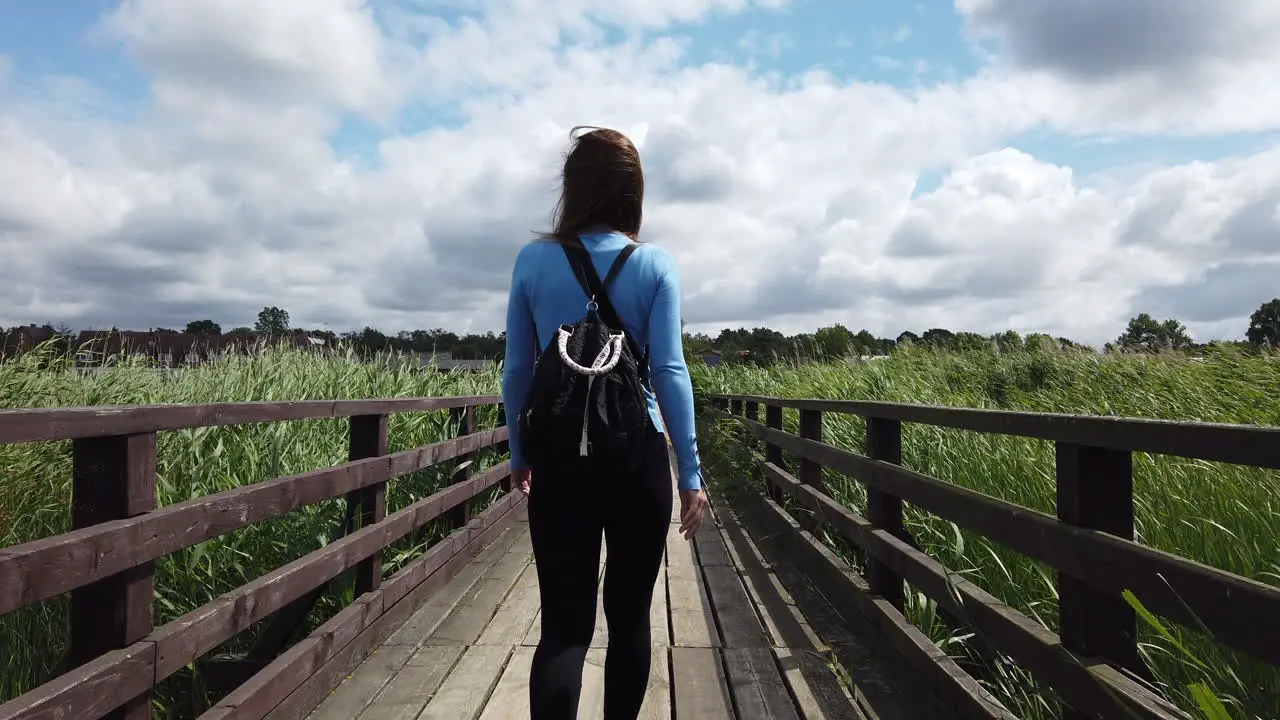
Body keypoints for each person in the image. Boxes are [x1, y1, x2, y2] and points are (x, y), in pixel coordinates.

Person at [501, 125, 708, 719]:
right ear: (632, 193)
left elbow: (516, 371)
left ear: (572, 190)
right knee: (630, 619)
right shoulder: (656, 265)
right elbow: (670, 371)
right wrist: (690, 472)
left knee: (564, 628)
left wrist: (521, 454)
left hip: (561, 461)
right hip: (636, 456)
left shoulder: (533, 260)